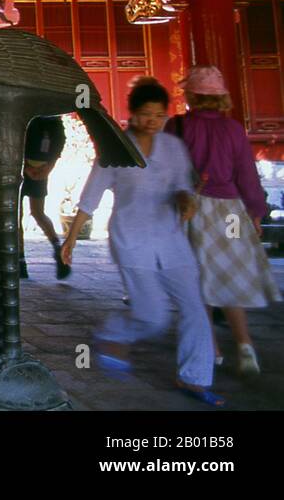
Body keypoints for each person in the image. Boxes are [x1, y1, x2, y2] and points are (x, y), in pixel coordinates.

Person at [61, 78, 223, 406]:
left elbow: (182, 187)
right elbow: (90, 198)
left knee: (195, 308)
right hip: (131, 241)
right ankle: (113, 334)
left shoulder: (173, 148)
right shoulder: (116, 148)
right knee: (152, 315)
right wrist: (71, 240)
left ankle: (194, 377)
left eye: (160, 115)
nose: (153, 121)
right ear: (133, 114)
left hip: (171, 240)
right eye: (147, 114)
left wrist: (186, 201)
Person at [167, 65, 280, 377]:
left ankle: (212, 348)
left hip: (192, 209)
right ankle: (245, 345)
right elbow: (247, 175)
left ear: (191, 94)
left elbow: (166, 169)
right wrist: (255, 213)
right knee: (227, 277)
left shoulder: (177, 127)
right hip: (230, 212)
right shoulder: (233, 130)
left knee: (197, 280)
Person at [19, 116, 69, 280]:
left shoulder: (40, 116)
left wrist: (46, 167)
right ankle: (54, 248)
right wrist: (47, 167)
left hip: (31, 168)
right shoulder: (52, 117)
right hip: (34, 167)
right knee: (36, 213)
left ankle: (21, 261)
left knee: (28, 214)